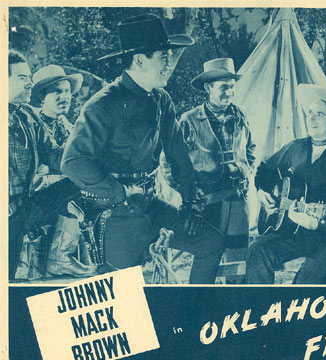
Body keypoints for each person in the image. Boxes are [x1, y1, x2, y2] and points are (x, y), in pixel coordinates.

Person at [61, 14, 225, 283]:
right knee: (125, 298)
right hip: (115, 216)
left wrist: (191, 202)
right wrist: (121, 192)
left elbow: (179, 156)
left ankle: (193, 311)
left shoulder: (162, 100)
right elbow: (73, 162)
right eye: (163, 56)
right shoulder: (101, 105)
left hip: (153, 205)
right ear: (139, 60)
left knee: (211, 242)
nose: (169, 63)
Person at [245, 82, 326, 284]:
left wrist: (319, 222)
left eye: (320, 115)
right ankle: (258, 308)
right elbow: (265, 169)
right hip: (292, 233)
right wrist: (262, 190)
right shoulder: (295, 147)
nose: (311, 119)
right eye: (310, 113)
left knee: (307, 281)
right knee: (258, 249)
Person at [8, 50, 79, 279]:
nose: (30, 84)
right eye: (22, 78)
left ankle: (59, 259)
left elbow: (56, 156)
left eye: (30, 77)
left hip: (23, 210)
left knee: (77, 182)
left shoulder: (26, 116)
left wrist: (92, 160)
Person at [179, 58, 256, 255]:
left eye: (232, 87)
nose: (229, 92)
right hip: (206, 202)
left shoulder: (240, 116)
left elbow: (250, 149)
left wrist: (247, 171)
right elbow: (170, 162)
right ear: (208, 88)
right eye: (224, 87)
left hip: (238, 199)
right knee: (208, 257)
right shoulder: (190, 120)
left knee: (237, 257)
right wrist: (187, 193)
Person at [28, 64, 95, 277]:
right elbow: (56, 164)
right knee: (81, 182)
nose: (64, 96)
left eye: (67, 91)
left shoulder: (64, 124)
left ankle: (76, 256)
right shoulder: (32, 122)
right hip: (30, 204)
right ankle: (60, 257)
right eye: (57, 91)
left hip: (55, 201)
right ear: (41, 96)